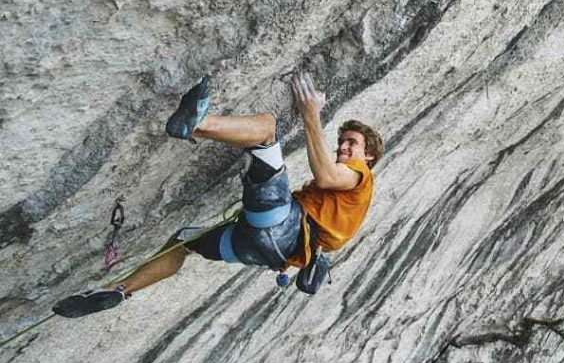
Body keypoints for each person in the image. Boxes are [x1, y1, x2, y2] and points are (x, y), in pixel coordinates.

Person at [53, 73, 382, 318]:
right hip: (263, 252)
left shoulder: (360, 175)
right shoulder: (350, 203)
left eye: (352, 143)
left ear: (368, 157)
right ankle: (119, 291)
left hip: (281, 225)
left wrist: (311, 112)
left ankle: (196, 123)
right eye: (344, 141)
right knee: (184, 240)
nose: (344, 147)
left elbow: (325, 175)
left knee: (267, 129)